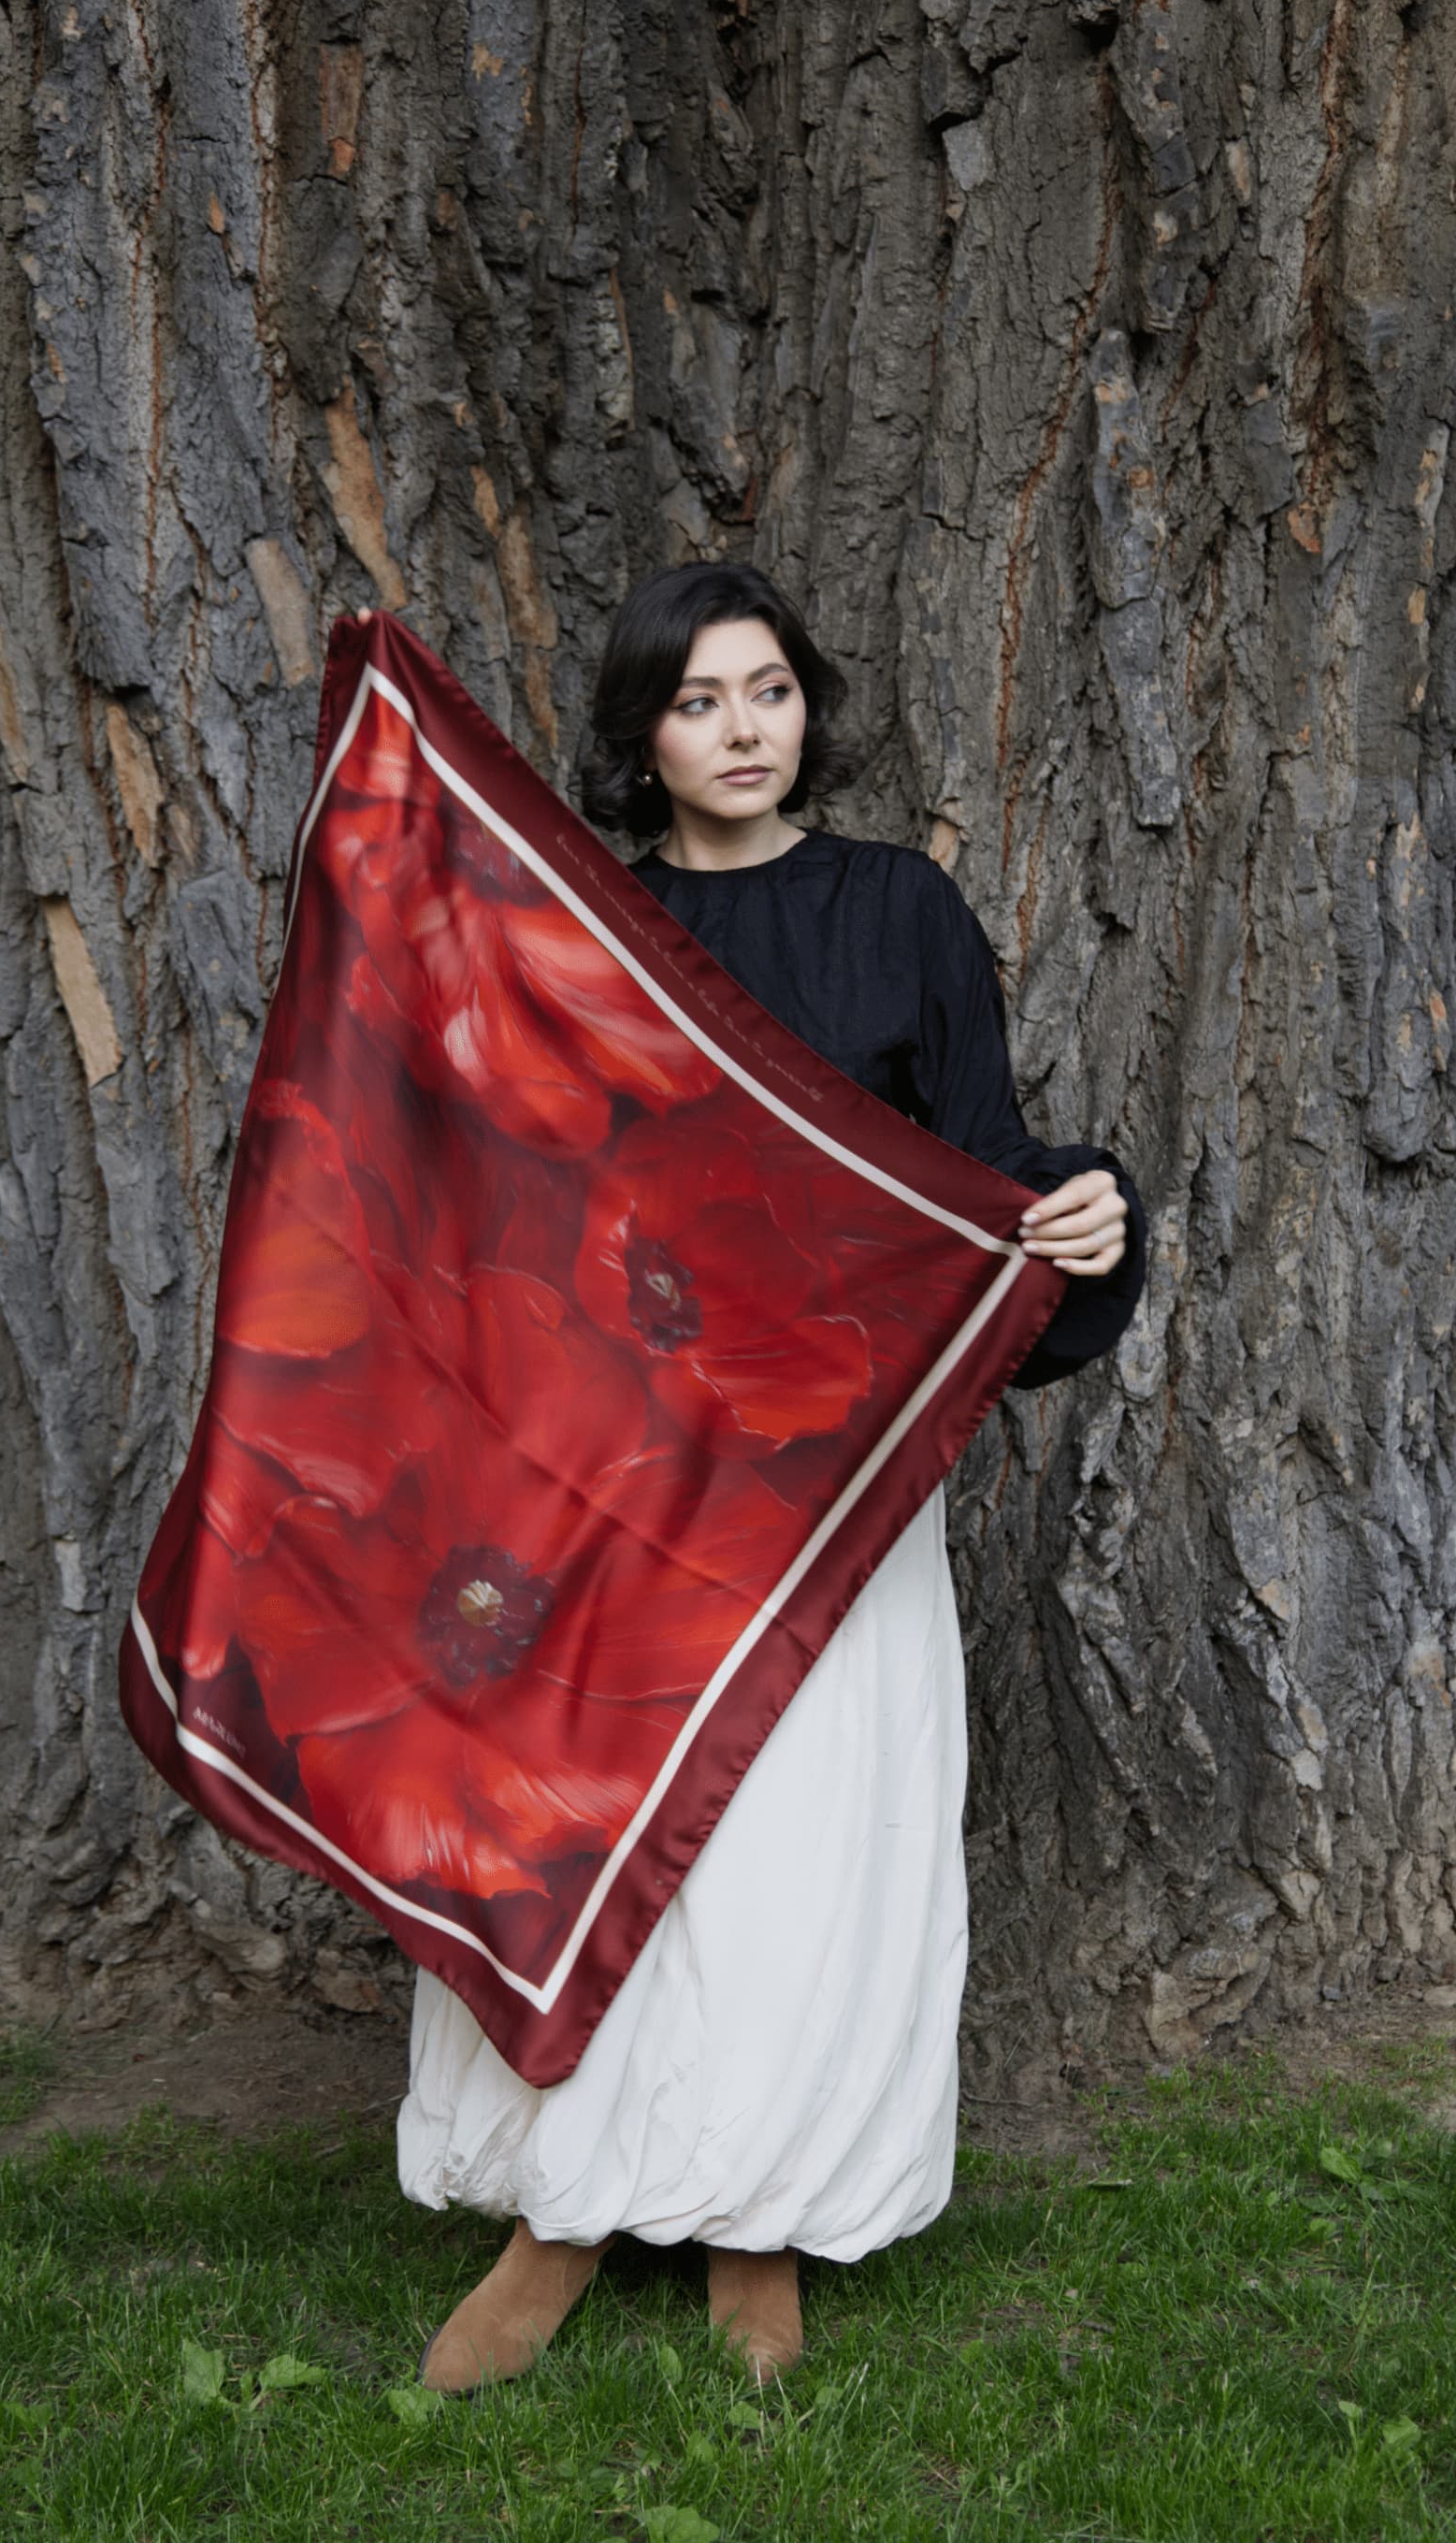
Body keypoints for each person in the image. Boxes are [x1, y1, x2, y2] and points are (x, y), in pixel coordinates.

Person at [399, 564, 1146, 2391]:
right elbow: (509, 1194)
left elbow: (973, 1169)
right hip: (623, 1473)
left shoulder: (900, 909)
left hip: (841, 1472)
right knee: (603, 1833)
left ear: (809, 704)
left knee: (802, 1853)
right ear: (642, 735)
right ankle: (561, 2217)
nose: (742, 730)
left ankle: (761, 2224)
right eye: (697, 701)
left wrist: (1077, 1213)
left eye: (769, 691)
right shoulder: (592, 925)